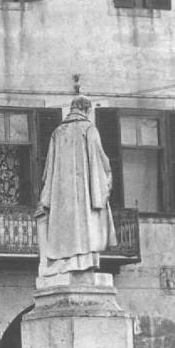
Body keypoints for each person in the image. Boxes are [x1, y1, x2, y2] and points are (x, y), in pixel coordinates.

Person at [35, 96, 117, 277]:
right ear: (87, 110)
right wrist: (106, 179)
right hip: (86, 194)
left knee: (67, 226)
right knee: (86, 225)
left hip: (62, 196)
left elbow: (48, 169)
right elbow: (100, 162)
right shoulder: (89, 129)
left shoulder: (57, 132)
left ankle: (66, 261)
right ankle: (83, 261)